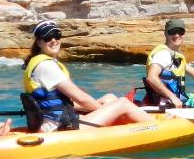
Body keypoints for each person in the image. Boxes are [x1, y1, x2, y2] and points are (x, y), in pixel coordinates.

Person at [23, 20, 154, 130]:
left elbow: (70, 102)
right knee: (122, 103)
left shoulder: (40, 62)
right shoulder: (47, 66)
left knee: (109, 98)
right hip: (58, 127)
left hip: (56, 121)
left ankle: (134, 121)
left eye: (57, 36)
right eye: (47, 37)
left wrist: (104, 107)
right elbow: (82, 99)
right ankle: (157, 126)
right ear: (39, 42)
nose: (54, 40)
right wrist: (103, 110)